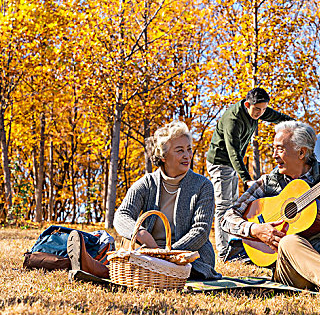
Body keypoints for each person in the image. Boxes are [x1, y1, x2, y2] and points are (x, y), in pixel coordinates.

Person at [220, 121, 320, 296]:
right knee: (288, 241)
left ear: (301, 152)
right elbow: (227, 217)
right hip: (293, 269)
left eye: (280, 149)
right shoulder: (269, 182)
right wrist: (255, 229)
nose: (274, 155)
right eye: (273, 148)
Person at [67, 120, 221, 280]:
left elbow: (201, 231)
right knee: (131, 250)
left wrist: (167, 254)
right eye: (179, 150)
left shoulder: (203, 185)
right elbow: (122, 215)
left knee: (146, 269)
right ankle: (91, 267)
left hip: (188, 258)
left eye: (189, 149)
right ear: (163, 156)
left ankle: (99, 270)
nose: (187, 155)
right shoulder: (147, 183)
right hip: (148, 253)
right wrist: (140, 232)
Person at [207, 87, 293, 261]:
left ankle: (233, 248)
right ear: (247, 104)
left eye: (263, 110)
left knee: (233, 205)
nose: (260, 113)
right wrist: (246, 179)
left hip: (231, 164)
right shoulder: (233, 119)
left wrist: (296, 126)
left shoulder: (258, 110)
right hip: (220, 162)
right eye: (257, 110)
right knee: (224, 206)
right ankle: (223, 253)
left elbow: (279, 117)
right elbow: (233, 153)